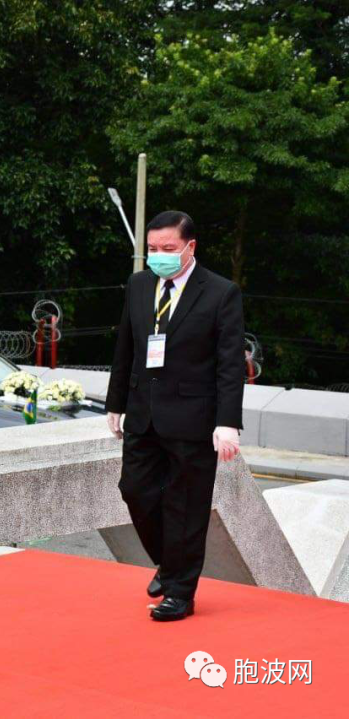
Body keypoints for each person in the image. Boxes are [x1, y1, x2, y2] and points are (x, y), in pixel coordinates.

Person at [105, 210, 245, 622]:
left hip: (194, 418)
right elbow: (125, 349)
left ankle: (180, 592)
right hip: (144, 414)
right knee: (135, 490)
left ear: (190, 247)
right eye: (152, 249)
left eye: (168, 249)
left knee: (187, 505)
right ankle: (170, 564)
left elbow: (229, 364)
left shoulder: (220, 293)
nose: (159, 256)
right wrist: (115, 404)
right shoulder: (138, 284)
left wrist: (227, 422)